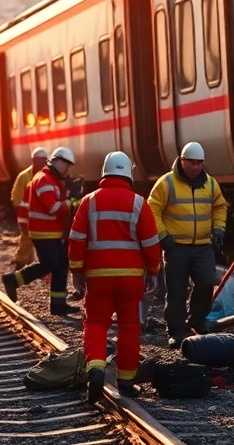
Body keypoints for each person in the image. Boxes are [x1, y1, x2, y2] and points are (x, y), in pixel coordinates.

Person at [69, 151, 162, 401]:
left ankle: (96, 370)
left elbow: (76, 240)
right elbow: (152, 244)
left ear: (104, 172)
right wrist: (153, 272)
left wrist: (77, 272)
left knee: (96, 323)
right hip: (131, 279)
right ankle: (126, 383)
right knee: (130, 327)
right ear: (128, 174)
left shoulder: (89, 202)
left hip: (97, 277)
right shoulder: (139, 203)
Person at [148, 141, 227, 350]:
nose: (197, 167)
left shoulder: (210, 183)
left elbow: (219, 206)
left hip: (202, 246)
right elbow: (152, 209)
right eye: (193, 163)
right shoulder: (166, 183)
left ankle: (197, 320)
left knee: (206, 282)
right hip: (176, 248)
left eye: (200, 163)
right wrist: (163, 236)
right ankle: (176, 331)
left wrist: (219, 228)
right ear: (182, 161)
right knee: (176, 291)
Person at [2, 146, 80, 317]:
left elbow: (58, 202)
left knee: (61, 265)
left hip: (52, 231)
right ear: (58, 161)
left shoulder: (52, 179)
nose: (68, 169)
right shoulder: (44, 179)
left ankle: (58, 304)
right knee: (50, 263)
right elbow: (53, 207)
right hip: (44, 232)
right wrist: (72, 202)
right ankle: (13, 280)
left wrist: (68, 195)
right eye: (67, 165)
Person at [11, 147, 48, 269]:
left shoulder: (46, 175)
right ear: (33, 160)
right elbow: (16, 197)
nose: (43, 162)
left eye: (45, 160)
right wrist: (26, 207)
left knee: (33, 239)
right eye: (40, 159)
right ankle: (19, 261)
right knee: (27, 237)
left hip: (39, 215)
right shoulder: (24, 176)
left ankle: (31, 263)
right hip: (25, 214)